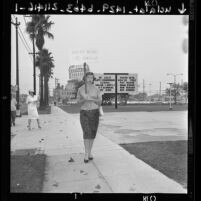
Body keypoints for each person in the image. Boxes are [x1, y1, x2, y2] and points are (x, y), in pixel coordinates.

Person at [77, 72, 102, 163]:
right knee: (86, 132)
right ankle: (86, 154)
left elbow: (99, 102)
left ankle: (90, 152)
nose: (90, 79)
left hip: (94, 112)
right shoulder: (80, 89)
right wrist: (84, 99)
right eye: (88, 77)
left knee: (92, 133)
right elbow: (78, 102)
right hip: (84, 112)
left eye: (92, 77)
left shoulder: (96, 89)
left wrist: (92, 99)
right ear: (85, 78)